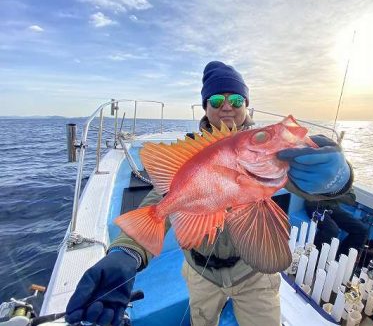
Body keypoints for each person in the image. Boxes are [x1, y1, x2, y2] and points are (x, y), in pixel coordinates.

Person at [65, 61, 354, 326]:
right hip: (200, 273)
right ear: (205, 106)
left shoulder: (271, 156)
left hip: (254, 275)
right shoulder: (191, 152)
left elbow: (315, 187)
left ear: (247, 106)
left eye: (236, 100)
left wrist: (335, 178)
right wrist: (127, 251)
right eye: (216, 100)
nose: (226, 107)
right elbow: (162, 198)